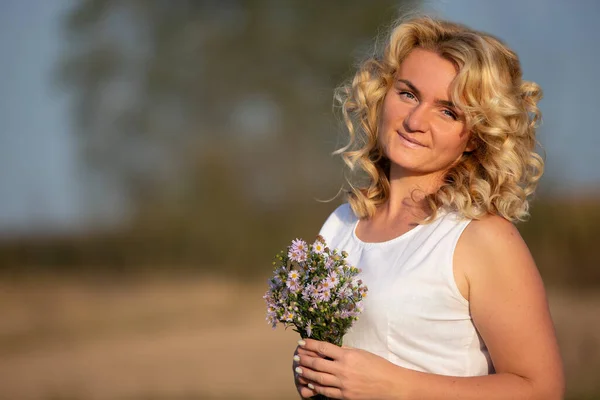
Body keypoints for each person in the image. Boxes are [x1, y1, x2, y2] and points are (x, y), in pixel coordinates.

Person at [291, 15, 564, 400]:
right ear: (383, 94)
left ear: (474, 137)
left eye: (448, 111)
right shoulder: (339, 225)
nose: (415, 121)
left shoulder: (481, 237)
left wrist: (394, 387)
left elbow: (541, 389)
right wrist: (314, 371)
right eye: (408, 94)